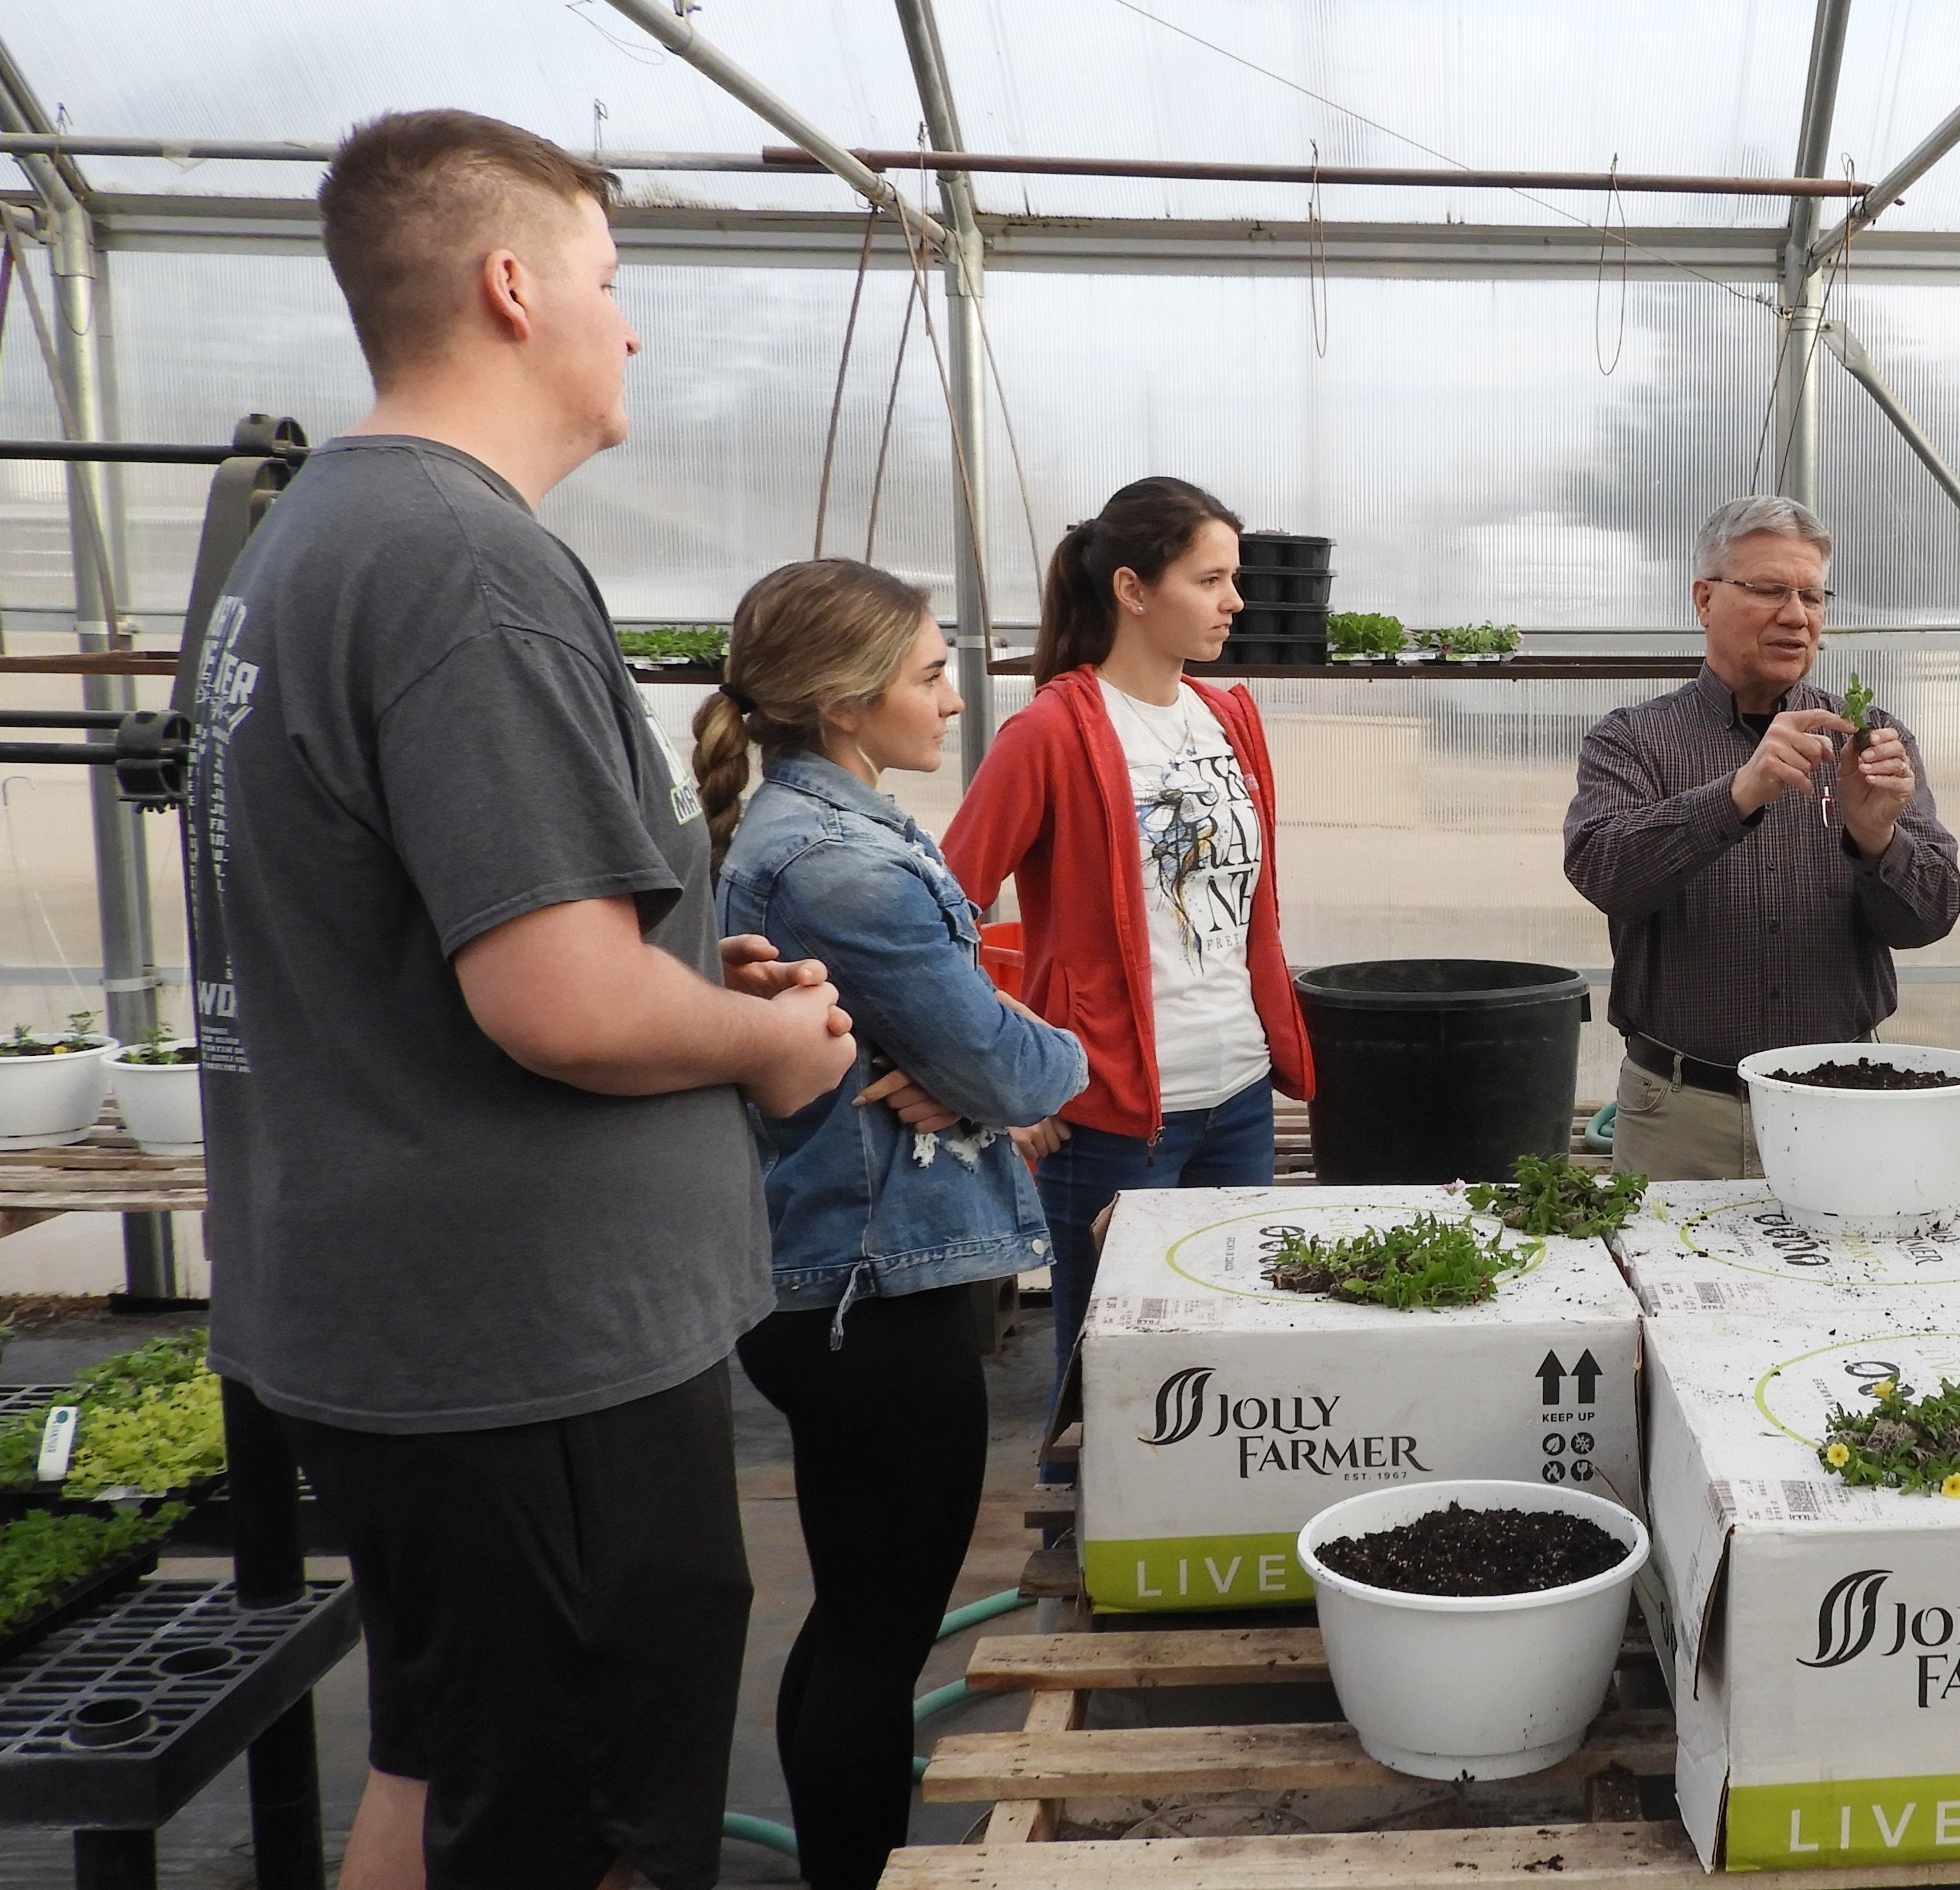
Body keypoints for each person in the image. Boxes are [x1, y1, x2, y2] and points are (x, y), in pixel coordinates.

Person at [187, 112, 857, 1890]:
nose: (628, 327)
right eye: (611, 283)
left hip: (392, 1319)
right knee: (579, 1827)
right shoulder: (461, 562)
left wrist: (678, 984)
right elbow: (555, 1000)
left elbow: (423, 938)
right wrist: (771, 1044)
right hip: (522, 1347)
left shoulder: (315, 536)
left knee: (438, 1767)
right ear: (511, 288)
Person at [701, 561, 1088, 1890]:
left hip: (845, 1289)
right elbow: (1010, 1068)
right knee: (879, 1631)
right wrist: (1039, 1061)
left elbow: (969, 1055)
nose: (952, 700)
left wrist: (978, 1063)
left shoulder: (813, 831)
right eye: (929, 675)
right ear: (843, 703)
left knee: (856, 1618)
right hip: (875, 1298)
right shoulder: (839, 867)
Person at [941, 477, 1314, 1403]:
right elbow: (937, 913)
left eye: (1234, 577)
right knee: (1106, 1364)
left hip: (1236, 1094)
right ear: (1132, 590)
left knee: (1233, 1341)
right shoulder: (1051, 734)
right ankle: (1087, 1529)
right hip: (1108, 1114)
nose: (1236, 600)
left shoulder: (1228, 718)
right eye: (1210, 578)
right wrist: (1004, 1081)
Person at [1562, 495, 1960, 1180]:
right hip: (1682, 1112)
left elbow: (1929, 918)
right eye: (1769, 590)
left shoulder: (1869, 739)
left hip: (1842, 1103)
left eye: (1812, 595)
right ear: (1704, 600)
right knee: (1672, 1284)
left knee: (1841, 1282)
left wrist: (1876, 839)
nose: (1796, 615)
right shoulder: (1633, 739)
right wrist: (1736, 794)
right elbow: (1605, 871)